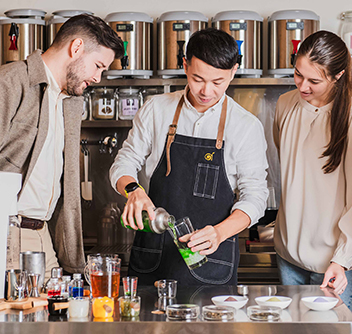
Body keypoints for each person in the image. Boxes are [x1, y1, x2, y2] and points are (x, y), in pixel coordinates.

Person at [110, 27, 268, 286]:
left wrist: (218, 233)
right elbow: (124, 161)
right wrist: (133, 190)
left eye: (218, 82)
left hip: (211, 261)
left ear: (233, 71)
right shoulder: (156, 109)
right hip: (153, 258)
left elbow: (256, 196)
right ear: (185, 65)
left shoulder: (246, 126)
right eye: (198, 79)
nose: (206, 91)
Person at [0, 14, 124, 277]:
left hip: (43, 236)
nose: (98, 77)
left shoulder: (68, 102)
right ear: (76, 47)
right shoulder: (9, 82)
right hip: (8, 236)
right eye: (98, 65)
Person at [273, 30, 352, 314]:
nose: (303, 86)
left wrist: (342, 259)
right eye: (298, 74)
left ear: (337, 76)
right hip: (288, 254)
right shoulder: (285, 105)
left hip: (336, 261)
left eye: (314, 80)